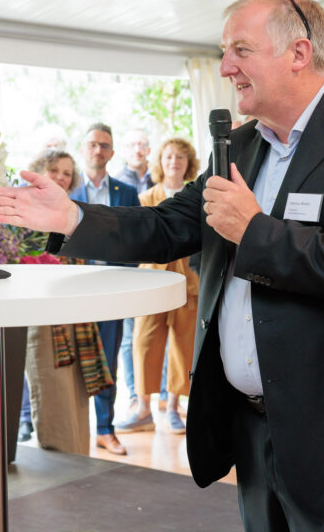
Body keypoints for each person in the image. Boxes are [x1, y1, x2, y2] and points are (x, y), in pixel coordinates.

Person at [0, 0, 324, 530]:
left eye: (240, 50)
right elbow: (165, 225)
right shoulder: (244, 146)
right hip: (252, 428)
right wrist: (71, 219)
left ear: (298, 53)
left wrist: (254, 231)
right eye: (225, 52)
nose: (225, 67)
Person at [20, 148, 114, 454]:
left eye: (67, 173)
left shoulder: (72, 211)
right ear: (39, 170)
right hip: (44, 322)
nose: (61, 177)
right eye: (55, 171)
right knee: (53, 401)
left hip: (76, 318)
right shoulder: (24, 213)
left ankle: (79, 471)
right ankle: (58, 482)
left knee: (76, 399)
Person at [115, 138, 199, 435]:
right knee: (143, 342)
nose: (174, 161)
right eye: (168, 157)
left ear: (189, 162)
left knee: (184, 344)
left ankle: (174, 407)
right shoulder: (147, 196)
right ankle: (143, 409)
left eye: (180, 157)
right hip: (152, 281)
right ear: (160, 162)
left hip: (189, 282)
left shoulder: (196, 196)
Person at [70, 123, 140, 456]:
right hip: (70, 295)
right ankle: (73, 430)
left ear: (112, 153)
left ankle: (104, 429)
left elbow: (139, 241)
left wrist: (122, 281)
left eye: (105, 146)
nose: (98, 150)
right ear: (83, 149)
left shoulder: (125, 194)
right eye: (93, 144)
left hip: (110, 294)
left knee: (107, 365)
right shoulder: (67, 192)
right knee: (70, 366)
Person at [113, 129, 154, 415]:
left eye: (142, 144)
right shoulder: (119, 185)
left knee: (154, 337)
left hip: (154, 268)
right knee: (130, 338)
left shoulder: (157, 178)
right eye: (132, 144)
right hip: (127, 271)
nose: (137, 149)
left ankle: (160, 393)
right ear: (124, 150)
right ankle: (133, 395)